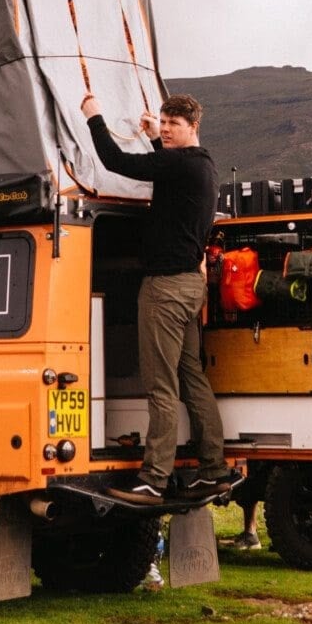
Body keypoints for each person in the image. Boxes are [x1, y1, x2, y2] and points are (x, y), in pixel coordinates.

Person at [81, 90, 233, 507]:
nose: (165, 129)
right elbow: (166, 171)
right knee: (191, 378)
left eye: (173, 125)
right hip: (189, 286)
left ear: (193, 128)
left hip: (164, 289)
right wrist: (154, 139)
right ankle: (214, 470)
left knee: (160, 386)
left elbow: (116, 162)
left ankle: (154, 479)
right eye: (162, 122)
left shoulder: (180, 163)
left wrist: (94, 116)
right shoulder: (202, 166)